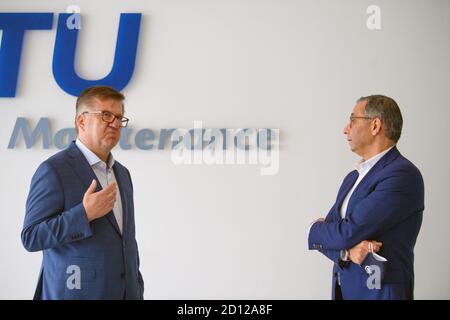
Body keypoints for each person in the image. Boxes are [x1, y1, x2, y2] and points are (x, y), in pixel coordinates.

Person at [21, 86, 144, 300]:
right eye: (105, 115)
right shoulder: (53, 170)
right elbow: (31, 237)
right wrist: (84, 214)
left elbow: (126, 241)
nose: (115, 123)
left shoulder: (122, 174)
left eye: (119, 118)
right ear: (81, 121)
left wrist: (136, 286)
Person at [308, 95, 424, 300]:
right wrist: (345, 253)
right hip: (345, 290)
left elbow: (346, 233)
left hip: (380, 293)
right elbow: (331, 240)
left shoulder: (402, 175)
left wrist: (315, 228)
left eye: (352, 120)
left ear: (375, 125)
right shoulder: (352, 177)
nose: (346, 129)